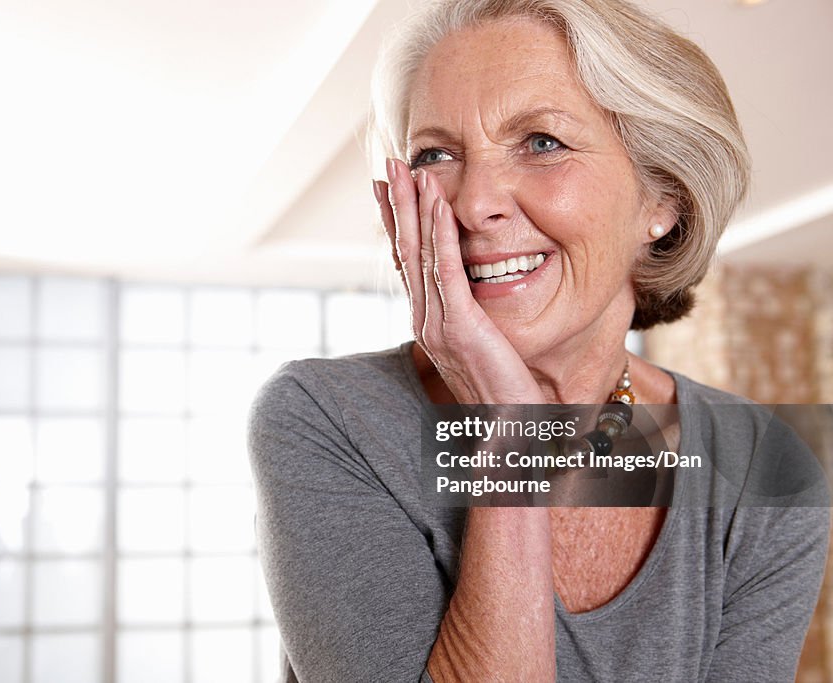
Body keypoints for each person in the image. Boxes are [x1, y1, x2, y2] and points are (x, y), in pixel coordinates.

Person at [248, 0, 830, 680]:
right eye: (435, 154)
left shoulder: (762, 466)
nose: (472, 203)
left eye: (542, 142)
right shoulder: (326, 417)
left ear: (662, 200)